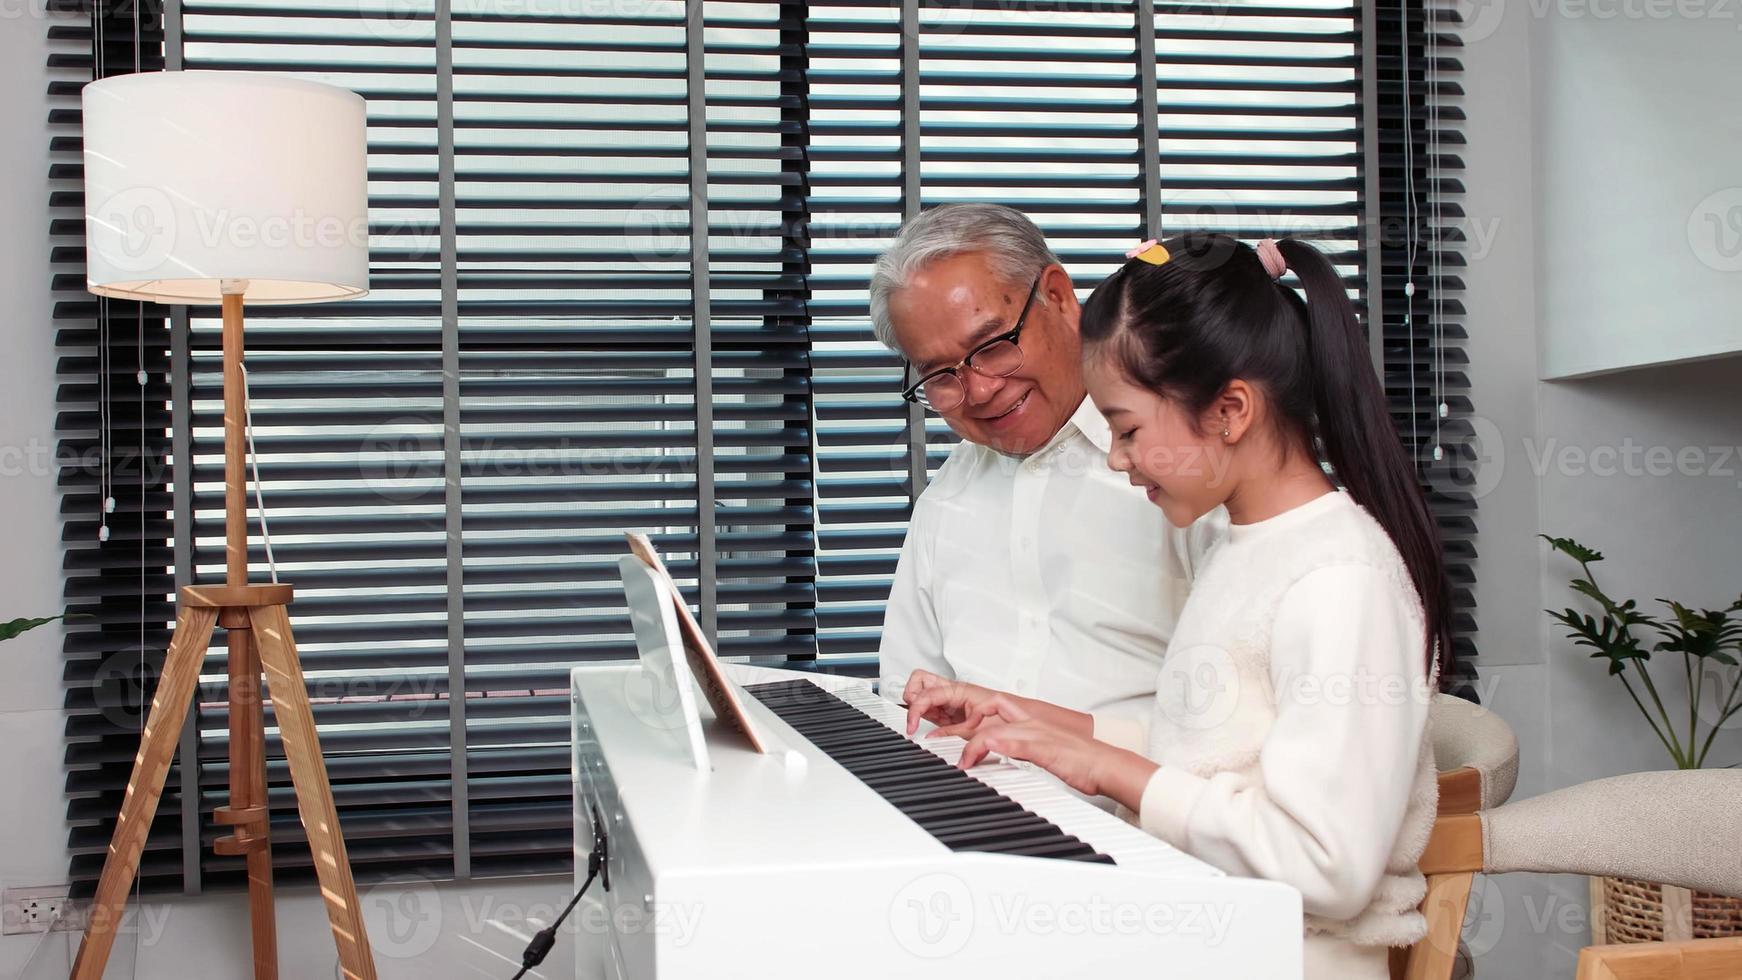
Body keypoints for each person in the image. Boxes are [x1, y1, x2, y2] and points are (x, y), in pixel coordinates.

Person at [903, 233, 1449, 980]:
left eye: (1127, 430)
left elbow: (1329, 868)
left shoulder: (1339, 579)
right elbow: (1213, 743)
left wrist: (1107, 768)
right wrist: (1031, 724)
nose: (1117, 460)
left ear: (1229, 411)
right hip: (1205, 929)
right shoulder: (1248, 549)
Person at [869, 204, 1226, 726]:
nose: (981, 390)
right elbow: (906, 704)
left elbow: (1245, 735)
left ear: (1058, 297)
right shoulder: (947, 499)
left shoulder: (1183, 468)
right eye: (941, 374)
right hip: (968, 802)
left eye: (991, 346)